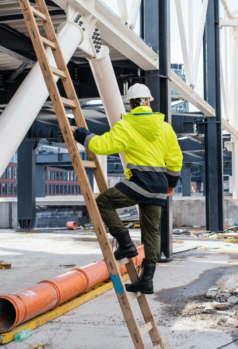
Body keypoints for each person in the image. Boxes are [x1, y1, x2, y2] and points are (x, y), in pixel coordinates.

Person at [71, 83, 183, 295]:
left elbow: (102, 146)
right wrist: (171, 184)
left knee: (103, 202)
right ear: (148, 102)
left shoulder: (126, 126)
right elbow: (175, 158)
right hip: (159, 186)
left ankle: (125, 244)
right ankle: (147, 280)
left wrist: (81, 134)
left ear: (130, 104)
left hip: (140, 183)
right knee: (152, 233)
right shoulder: (165, 128)